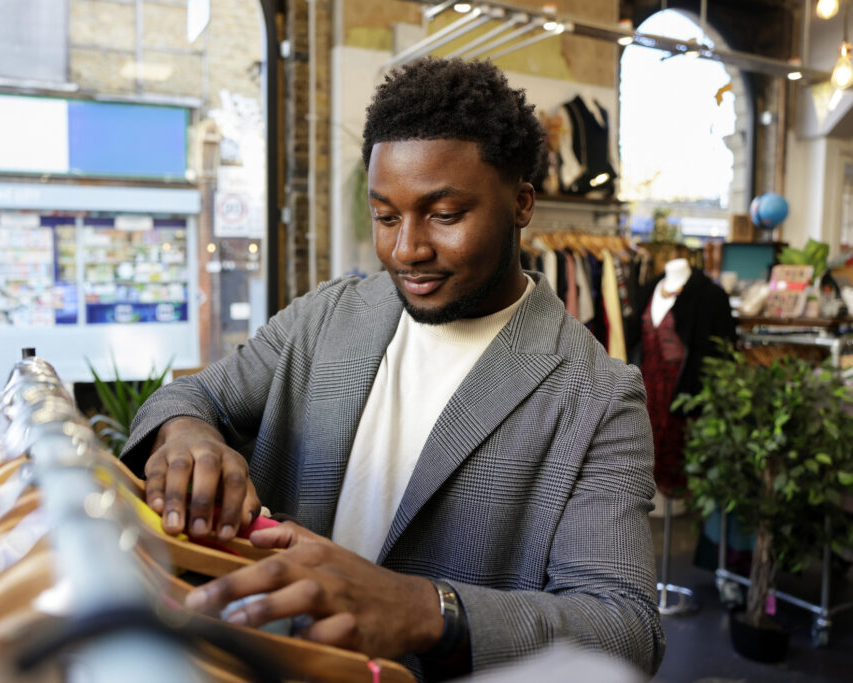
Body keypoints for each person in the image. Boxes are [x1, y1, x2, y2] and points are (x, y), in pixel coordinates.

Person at [122, 57, 665, 679]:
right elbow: (192, 401)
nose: (407, 250)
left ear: (520, 204)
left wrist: (425, 609)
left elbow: (624, 628)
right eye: (386, 217)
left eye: (444, 215)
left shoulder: (596, 397)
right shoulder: (328, 316)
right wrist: (188, 437)